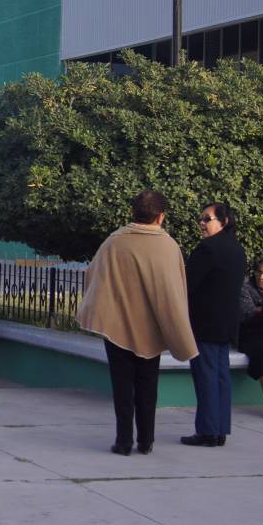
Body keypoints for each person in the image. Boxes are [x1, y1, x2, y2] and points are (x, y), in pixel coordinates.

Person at [77, 190, 197, 456]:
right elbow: (175, 292)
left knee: (122, 386)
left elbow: (93, 278)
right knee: (148, 385)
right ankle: (146, 440)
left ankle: (123, 441)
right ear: (161, 216)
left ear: (133, 213)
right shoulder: (168, 246)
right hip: (151, 329)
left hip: (117, 326)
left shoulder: (114, 242)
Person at [182, 203, 246, 448]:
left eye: (207, 219)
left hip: (205, 323)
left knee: (207, 376)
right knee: (221, 377)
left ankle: (208, 431)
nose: (202, 223)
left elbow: (187, 284)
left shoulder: (208, 248)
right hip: (226, 323)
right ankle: (219, 430)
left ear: (224, 221)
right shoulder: (237, 249)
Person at [236, 258, 263, 407]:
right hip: (251, 334)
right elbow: (247, 314)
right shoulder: (246, 288)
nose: (261, 277)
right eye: (259, 273)